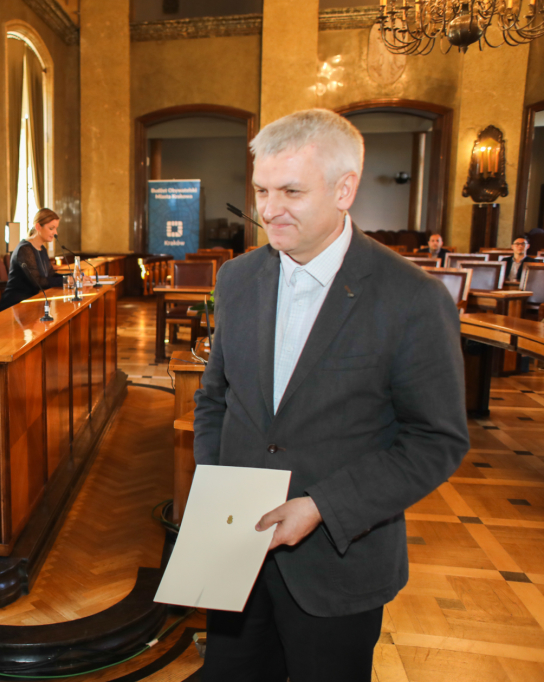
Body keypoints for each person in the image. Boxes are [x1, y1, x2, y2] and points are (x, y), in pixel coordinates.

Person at [194, 109, 468, 681]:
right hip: (233, 557)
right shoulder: (237, 279)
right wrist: (219, 496)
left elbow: (435, 440)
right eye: (262, 190)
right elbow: (215, 399)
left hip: (339, 568)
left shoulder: (412, 299)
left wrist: (322, 507)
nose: (269, 210)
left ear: (345, 189)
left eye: (291, 190)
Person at [0, 208, 82, 311]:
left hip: (35, 302)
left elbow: (51, 275)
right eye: (51, 228)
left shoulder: (41, 248)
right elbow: (38, 281)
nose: (55, 233)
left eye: (56, 228)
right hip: (16, 305)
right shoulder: (25, 249)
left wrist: (76, 277)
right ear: (38, 227)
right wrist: (67, 280)